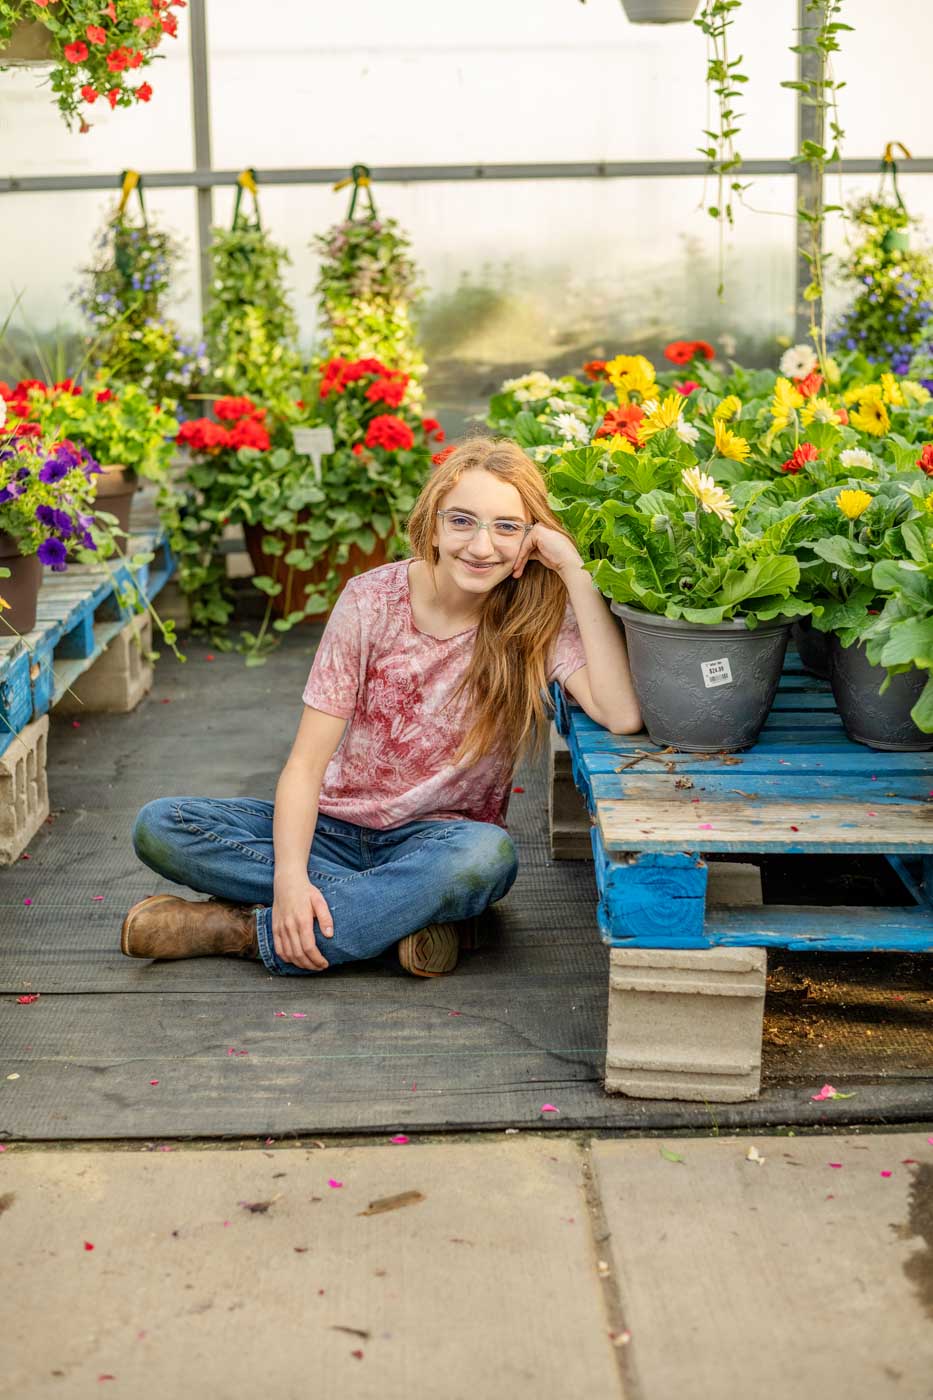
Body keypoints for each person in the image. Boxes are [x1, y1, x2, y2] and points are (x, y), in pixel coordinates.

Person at [122, 437, 641, 977]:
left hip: (440, 841)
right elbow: (304, 766)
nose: (483, 546)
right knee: (160, 825)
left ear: (530, 538)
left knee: (487, 860)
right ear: (434, 524)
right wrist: (292, 880)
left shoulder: (533, 618)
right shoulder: (371, 600)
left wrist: (574, 570)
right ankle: (408, 914)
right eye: (463, 521)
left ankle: (242, 932)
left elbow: (621, 713)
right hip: (332, 828)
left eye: (507, 527)